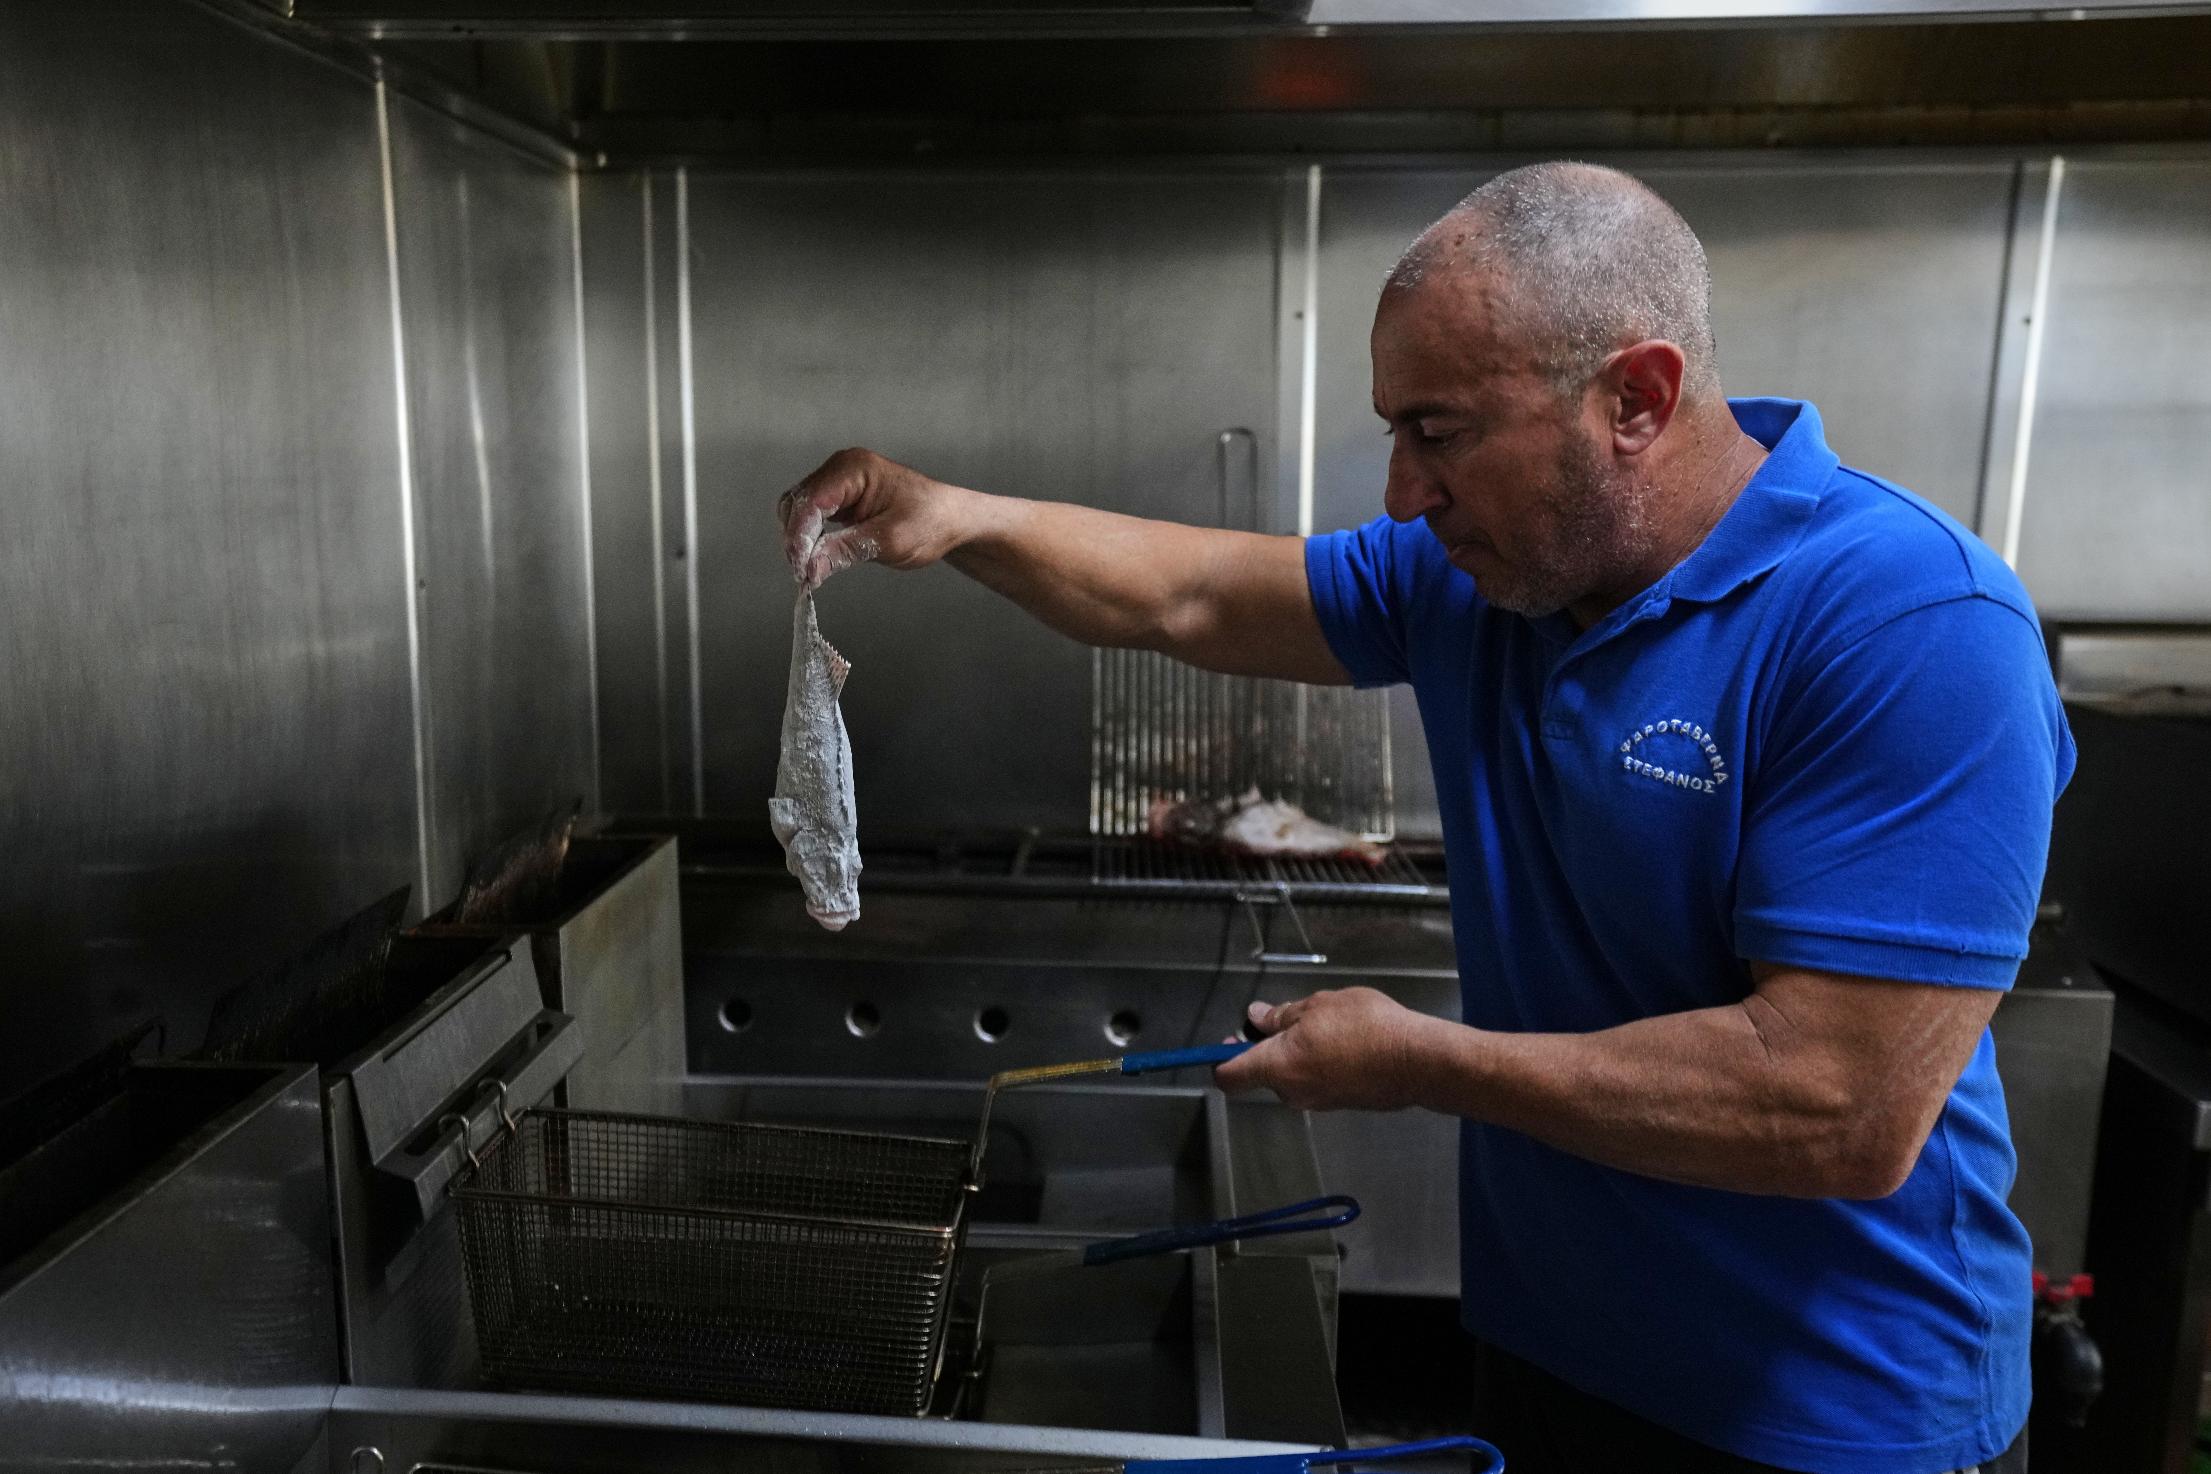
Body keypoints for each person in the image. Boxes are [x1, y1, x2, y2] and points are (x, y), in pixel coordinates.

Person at [775, 161, 2067, 1474]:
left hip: (1833, 1416)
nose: (1402, 492)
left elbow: (1838, 1108)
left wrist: (1423, 1060)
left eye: (1440, 432)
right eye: (1396, 430)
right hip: (1553, 1354)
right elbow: (1193, 598)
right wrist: (956, 517)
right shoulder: (1480, 573)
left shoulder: (1907, 622)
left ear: (1638, 398)